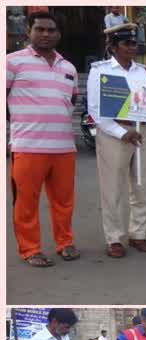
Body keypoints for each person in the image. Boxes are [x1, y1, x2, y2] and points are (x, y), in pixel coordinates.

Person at [7, 12, 80, 268]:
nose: (46, 34)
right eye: (40, 29)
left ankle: (65, 243)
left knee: (64, 201)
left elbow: (71, 101)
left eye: (51, 30)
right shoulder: (11, 62)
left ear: (59, 34)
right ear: (29, 31)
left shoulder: (68, 67)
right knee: (26, 202)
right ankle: (30, 249)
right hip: (28, 147)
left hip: (64, 147)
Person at [88, 23, 146, 258]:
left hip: (144, 132)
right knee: (112, 189)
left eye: (134, 43)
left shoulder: (143, 71)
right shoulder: (100, 71)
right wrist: (123, 133)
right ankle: (114, 238)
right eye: (126, 43)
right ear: (112, 46)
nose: (132, 47)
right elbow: (95, 110)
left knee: (143, 188)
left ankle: (138, 235)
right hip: (115, 133)